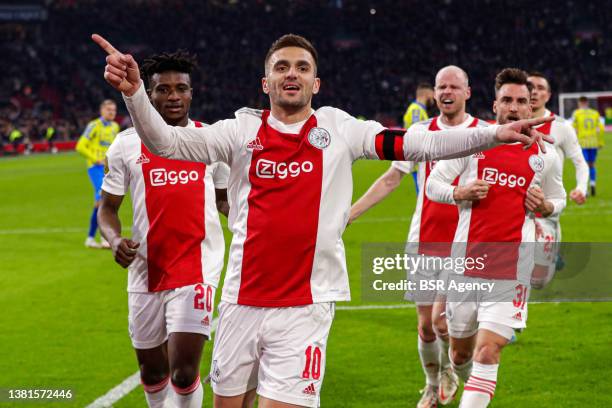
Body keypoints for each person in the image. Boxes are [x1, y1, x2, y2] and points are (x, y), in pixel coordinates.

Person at [94, 32, 552, 408]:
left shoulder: (342, 130)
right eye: (281, 67)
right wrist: (135, 93)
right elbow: (166, 145)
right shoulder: (239, 132)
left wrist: (493, 134)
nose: (291, 73)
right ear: (265, 83)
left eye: (302, 68)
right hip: (239, 302)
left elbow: (418, 144)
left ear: (316, 83)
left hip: (305, 307)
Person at [426, 68, 566, 408]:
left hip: (512, 269)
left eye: (522, 101)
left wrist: (546, 205)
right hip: (466, 264)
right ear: (495, 105)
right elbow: (434, 184)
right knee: (461, 354)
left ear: (531, 107)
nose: (515, 107)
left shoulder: (546, 155)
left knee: (489, 350)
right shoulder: (474, 142)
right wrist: (459, 192)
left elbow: (558, 200)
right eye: (507, 100)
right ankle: (453, 371)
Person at [98, 50, 230, 408]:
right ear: (148, 94)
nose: (173, 96)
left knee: (184, 373)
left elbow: (224, 199)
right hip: (145, 270)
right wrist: (113, 240)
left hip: (197, 268)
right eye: (163, 90)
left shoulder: (210, 140)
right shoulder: (125, 144)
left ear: (191, 93)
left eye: (181, 89)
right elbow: (107, 208)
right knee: (153, 373)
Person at [350, 66, 483, 407]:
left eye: (454, 86)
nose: (447, 92)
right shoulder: (420, 132)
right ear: (433, 93)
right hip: (423, 241)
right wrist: (351, 213)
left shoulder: (485, 134)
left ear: (468, 92)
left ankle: (463, 379)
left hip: (467, 244)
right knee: (426, 327)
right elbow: (391, 179)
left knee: (445, 325)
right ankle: (431, 383)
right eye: (441, 87)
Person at [527, 72, 589, 288]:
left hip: (546, 209)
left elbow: (580, 162)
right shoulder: (511, 124)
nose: (534, 91)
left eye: (540, 87)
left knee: (538, 282)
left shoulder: (560, 127)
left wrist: (581, 188)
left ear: (548, 94)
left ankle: (552, 253)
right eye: (530, 86)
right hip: (514, 210)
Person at [76, 99, 120, 248]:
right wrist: (95, 159)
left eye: (113, 110)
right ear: (102, 111)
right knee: (103, 200)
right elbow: (80, 146)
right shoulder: (94, 126)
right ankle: (104, 237)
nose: (111, 112)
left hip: (109, 169)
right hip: (95, 169)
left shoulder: (115, 127)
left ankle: (90, 238)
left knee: (100, 203)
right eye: (108, 110)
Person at [403, 83, 435, 193]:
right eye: (432, 94)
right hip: (418, 162)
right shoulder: (416, 110)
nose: (434, 98)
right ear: (426, 93)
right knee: (422, 198)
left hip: (421, 161)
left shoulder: (420, 110)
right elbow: (415, 135)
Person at [571, 96, 605, 196]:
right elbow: (601, 128)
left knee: (583, 166)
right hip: (593, 143)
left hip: (582, 143)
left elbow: (573, 128)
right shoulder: (595, 113)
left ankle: (584, 189)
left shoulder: (577, 113)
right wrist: (600, 142)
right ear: (587, 103)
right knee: (592, 165)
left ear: (580, 103)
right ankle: (593, 184)